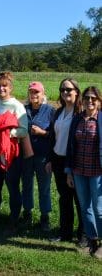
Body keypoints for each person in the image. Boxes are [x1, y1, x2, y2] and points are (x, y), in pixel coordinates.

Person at [0, 71, 28, 234]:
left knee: (12, 186)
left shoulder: (17, 106)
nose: (1, 88)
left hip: (10, 154)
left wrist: (5, 134)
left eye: (4, 86)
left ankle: (13, 221)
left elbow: (24, 130)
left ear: (10, 87)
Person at [66, 86, 102, 258]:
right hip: (78, 170)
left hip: (97, 172)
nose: (89, 101)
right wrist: (69, 171)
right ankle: (92, 240)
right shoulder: (77, 119)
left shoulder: (101, 119)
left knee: (99, 208)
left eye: (93, 98)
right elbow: (70, 146)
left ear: (99, 101)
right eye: (87, 97)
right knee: (85, 207)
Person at [46, 77, 83, 242]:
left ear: (76, 91)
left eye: (69, 89)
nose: (65, 92)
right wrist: (49, 160)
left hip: (75, 162)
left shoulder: (81, 113)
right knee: (64, 199)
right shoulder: (59, 111)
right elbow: (53, 137)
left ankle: (83, 235)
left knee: (80, 200)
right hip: (58, 160)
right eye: (62, 90)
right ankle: (65, 233)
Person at [21, 82, 55, 231]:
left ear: (42, 93)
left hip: (43, 156)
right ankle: (27, 214)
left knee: (44, 188)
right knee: (26, 185)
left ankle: (44, 217)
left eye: (37, 92)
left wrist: (43, 133)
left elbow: (55, 135)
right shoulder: (23, 109)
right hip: (26, 156)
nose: (34, 95)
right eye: (31, 92)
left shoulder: (50, 111)